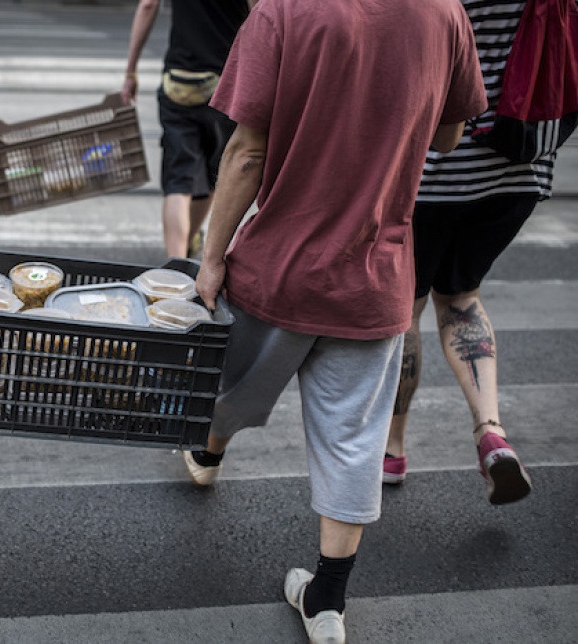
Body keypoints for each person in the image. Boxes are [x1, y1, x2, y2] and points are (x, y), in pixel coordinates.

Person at [185, 0, 487, 641]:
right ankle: (326, 603)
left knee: (229, 385)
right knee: (353, 440)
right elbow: (449, 134)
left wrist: (211, 259)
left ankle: (207, 454)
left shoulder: (282, 10)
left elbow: (245, 152)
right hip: (375, 279)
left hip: (279, 267)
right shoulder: (445, 13)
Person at [382, 0, 552, 505]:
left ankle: (390, 449)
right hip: (519, 167)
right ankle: (491, 432)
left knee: (404, 309)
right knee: (461, 298)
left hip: (436, 169)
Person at [121, 0, 252, 259]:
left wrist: (131, 70)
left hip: (179, 82)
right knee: (212, 174)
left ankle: (175, 267)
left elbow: (148, 5)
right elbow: (261, 15)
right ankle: (188, 244)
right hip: (226, 81)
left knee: (179, 182)